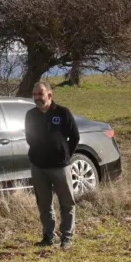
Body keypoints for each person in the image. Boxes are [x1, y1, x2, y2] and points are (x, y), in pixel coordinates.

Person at [25, 81, 80, 249]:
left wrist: (65, 155)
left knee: (66, 203)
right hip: (38, 166)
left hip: (59, 166)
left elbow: (75, 137)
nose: (37, 98)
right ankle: (49, 235)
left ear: (50, 95)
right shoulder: (31, 115)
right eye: (35, 95)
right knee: (44, 203)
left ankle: (67, 237)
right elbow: (29, 137)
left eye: (40, 94)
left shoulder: (63, 113)